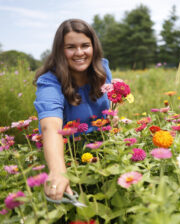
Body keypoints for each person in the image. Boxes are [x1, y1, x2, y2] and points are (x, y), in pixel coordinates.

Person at [33, 19, 112, 200]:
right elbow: (50, 126)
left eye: (85, 45)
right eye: (70, 47)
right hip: (69, 156)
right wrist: (58, 170)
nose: (79, 53)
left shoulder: (103, 69)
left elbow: (109, 108)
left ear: (94, 47)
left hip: (103, 151)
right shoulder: (49, 82)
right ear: (60, 50)